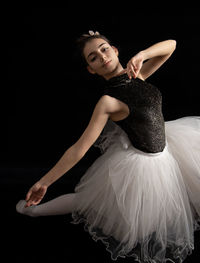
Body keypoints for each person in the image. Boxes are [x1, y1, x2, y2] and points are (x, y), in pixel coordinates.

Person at [16, 31, 200, 262]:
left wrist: (143, 54)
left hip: (168, 151)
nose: (102, 57)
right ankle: (31, 210)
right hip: (143, 166)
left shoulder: (138, 74)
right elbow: (79, 149)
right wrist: (44, 182)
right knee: (91, 204)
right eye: (93, 57)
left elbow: (171, 44)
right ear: (91, 69)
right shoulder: (108, 102)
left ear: (115, 50)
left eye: (104, 49)